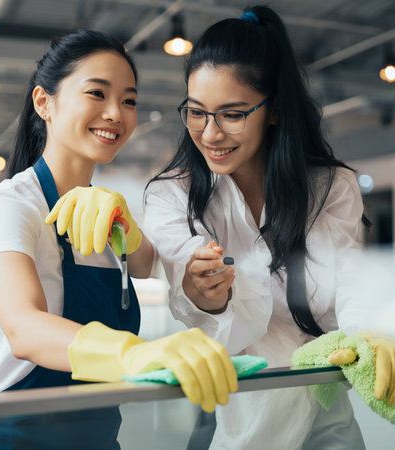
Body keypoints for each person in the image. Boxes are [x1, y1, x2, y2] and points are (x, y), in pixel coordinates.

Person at [0, 29, 237, 450]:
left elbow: (144, 262)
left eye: (128, 100)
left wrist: (130, 225)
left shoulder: (106, 212)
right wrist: (135, 354)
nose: (115, 114)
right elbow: (23, 328)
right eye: (96, 93)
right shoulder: (9, 205)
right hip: (9, 438)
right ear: (43, 103)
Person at [142, 5, 395, 449]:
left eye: (232, 114)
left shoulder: (330, 187)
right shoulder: (171, 195)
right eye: (196, 112)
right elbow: (198, 304)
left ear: (273, 110)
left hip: (323, 406)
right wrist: (203, 295)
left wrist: (372, 336)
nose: (210, 133)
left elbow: (344, 290)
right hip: (233, 408)